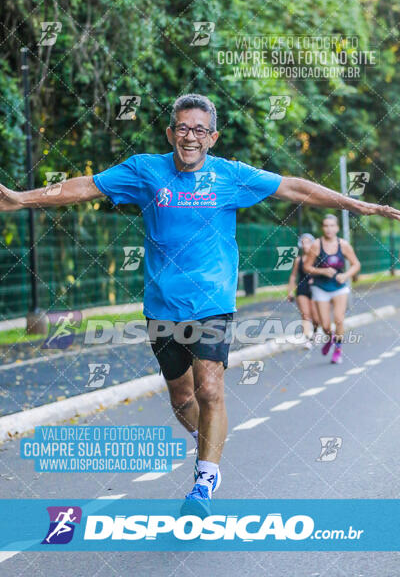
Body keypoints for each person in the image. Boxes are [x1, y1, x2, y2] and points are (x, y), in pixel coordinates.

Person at [1, 93, 399, 516]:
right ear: (171, 132)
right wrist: (22, 199)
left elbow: (293, 187)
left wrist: (354, 203)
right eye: (183, 128)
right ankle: (208, 440)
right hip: (162, 305)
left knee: (210, 388)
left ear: (213, 137)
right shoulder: (144, 170)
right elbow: (86, 186)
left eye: (200, 130)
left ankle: (205, 479)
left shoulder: (229, 175)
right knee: (181, 399)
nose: (190, 137)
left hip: (212, 300)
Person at [303, 214, 361, 364]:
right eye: (326, 226)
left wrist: (346, 275)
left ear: (337, 228)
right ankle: (331, 337)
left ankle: (338, 349)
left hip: (338, 287)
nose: (329, 229)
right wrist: (322, 271)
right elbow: (306, 266)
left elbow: (356, 264)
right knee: (326, 325)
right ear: (322, 228)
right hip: (320, 287)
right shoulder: (316, 245)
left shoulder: (344, 245)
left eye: (332, 226)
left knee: (339, 319)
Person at [287, 233, 319, 349]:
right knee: (305, 314)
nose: (306, 245)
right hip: (302, 289)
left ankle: (315, 333)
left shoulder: (317, 258)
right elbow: (293, 276)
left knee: (316, 317)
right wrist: (290, 291)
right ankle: (307, 339)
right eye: (303, 242)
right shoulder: (298, 260)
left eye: (308, 242)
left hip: (316, 288)